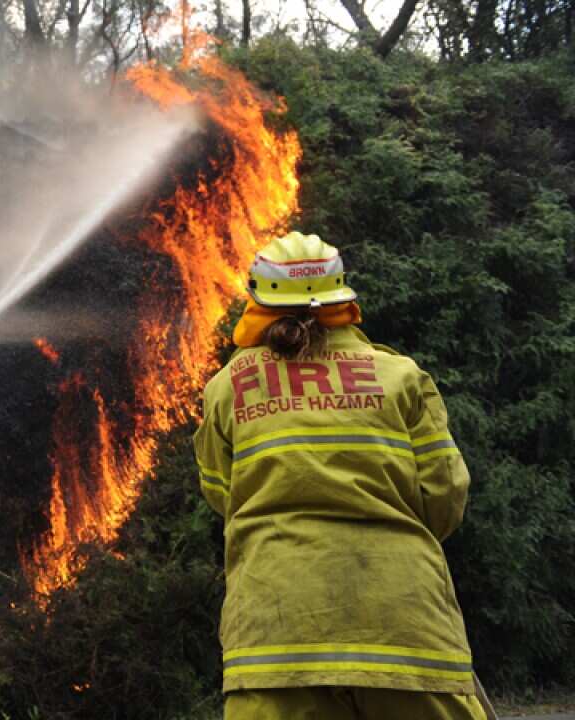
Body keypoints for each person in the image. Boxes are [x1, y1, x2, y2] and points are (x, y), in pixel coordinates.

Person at [193, 233, 486, 719]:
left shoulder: (225, 390)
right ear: (341, 296)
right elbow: (444, 500)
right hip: (406, 631)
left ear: (259, 300)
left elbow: (225, 498)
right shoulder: (401, 378)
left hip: (275, 642)